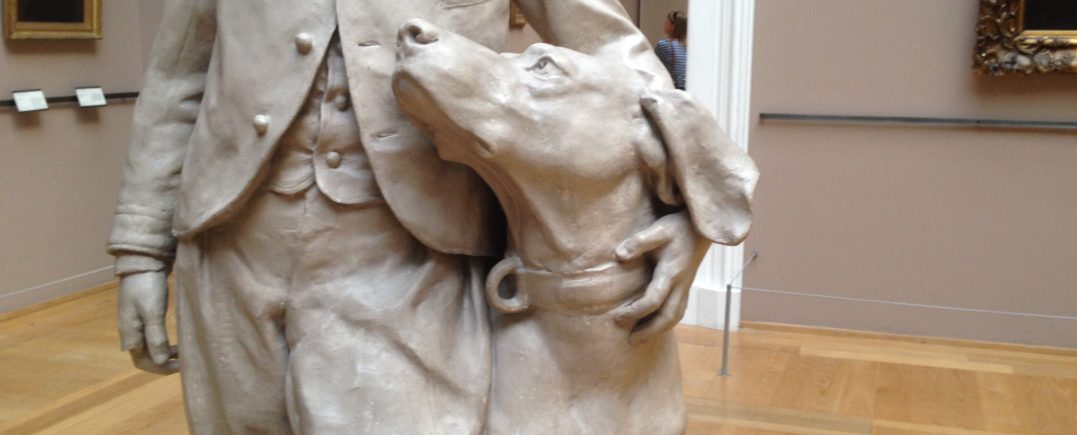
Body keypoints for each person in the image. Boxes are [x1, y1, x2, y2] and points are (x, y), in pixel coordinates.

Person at [109, 1, 715, 434]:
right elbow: (178, 78)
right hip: (229, 246)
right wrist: (141, 248)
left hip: (410, 254)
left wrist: (692, 208)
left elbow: (620, 58)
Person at [655, 11, 688, 90]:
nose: (665, 23)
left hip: (673, 89)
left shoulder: (663, 45)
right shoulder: (689, 47)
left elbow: (653, 67)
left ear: (674, 26)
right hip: (688, 88)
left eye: (668, 21)